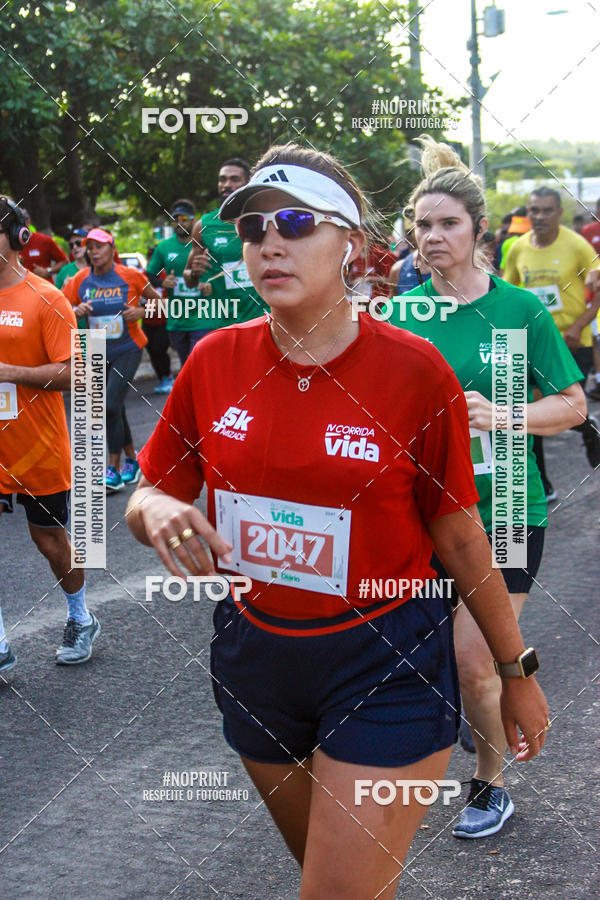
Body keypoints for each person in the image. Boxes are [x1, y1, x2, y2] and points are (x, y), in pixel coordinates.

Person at [126, 144, 549, 895]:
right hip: (256, 660)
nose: (270, 243)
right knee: (344, 882)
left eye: (295, 223)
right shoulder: (213, 361)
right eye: (253, 228)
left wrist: (515, 671)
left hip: (385, 660)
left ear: (351, 243)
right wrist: (156, 507)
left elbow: (459, 535)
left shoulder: (415, 370)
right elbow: (148, 490)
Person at [388, 138, 585, 839]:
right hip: (422, 514)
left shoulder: (520, 311)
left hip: (504, 509)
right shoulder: (401, 316)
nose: (432, 236)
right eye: (422, 224)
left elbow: (573, 405)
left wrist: (504, 416)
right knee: (429, 656)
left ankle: (490, 784)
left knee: (477, 659)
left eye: (448, 223)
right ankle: (474, 718)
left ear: (478, 230)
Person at [0, 197, 100, 673]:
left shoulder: (47, 298)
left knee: (50, 542)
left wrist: (9, 372)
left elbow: (75, 373)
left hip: (37, 447)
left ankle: (81, 617)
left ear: (16, 238)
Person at [504, 187, 600, 493]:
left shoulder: (577, 245)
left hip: (572, 342)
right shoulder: (518, 248)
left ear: (559, 213)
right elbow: (507, 293)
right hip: (532, 344)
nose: (540, 216)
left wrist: (579, 326)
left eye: (547, 210)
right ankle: (542, 484)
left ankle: (590, 431)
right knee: (532, 408)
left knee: (566, 407)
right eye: (535, 210)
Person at [63, 228, 161, 492]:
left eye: (99, 246)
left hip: (128, 349)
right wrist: (75, 311)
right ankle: (133, 460)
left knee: (108, 406)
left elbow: (160, 303)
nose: (93, 252)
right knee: (115, 408)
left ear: (111, 248)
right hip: (97, 351)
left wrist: (141, 311)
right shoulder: (80, 280)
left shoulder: (130, 275)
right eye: (89, 247)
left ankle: (113, 470)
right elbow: (60, 308)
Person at [185, 157, 268, 327]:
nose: (226, 185)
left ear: (248, 183)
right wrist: (194, 273)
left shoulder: (266, 218)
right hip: (223, 324)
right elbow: (188, 279)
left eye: (234, 179)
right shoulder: (204, 226)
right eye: (222, 180)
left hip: (264, 320)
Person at [146, 199, 212, 367]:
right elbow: (150, 274)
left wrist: (210, 285)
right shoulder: (164, 247)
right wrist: (162, 283)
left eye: (184, 219)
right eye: (175, 219)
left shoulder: (207, 243)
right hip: (177, 320)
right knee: (186, 364)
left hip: (204, 317)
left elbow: (221, 272)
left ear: (194, 220)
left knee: (196, 362)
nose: (179, 223)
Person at [142, 245, 173, 394]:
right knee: (151, 350)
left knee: (159, 348)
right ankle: (162, 378)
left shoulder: (166, 276)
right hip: (147, 321)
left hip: (164, 321)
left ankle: (168, 376)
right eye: (149, 257)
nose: (151, 261)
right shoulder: (142, 276)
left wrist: (161, 304)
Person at [19, 209, 68, 281]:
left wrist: (48, 271)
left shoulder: (44, 240)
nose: (17, 227)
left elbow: (64, 261)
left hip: (43, 285)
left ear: (28, 221)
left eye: (19, 222)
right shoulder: (10, 244)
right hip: (22, 286)